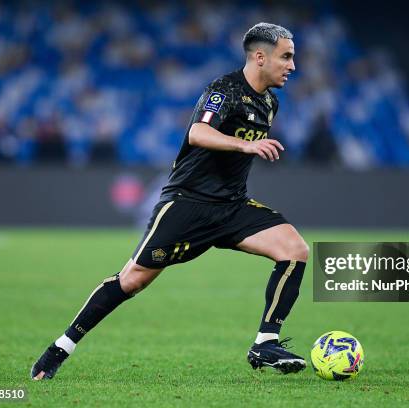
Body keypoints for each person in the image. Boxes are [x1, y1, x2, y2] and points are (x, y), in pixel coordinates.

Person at [31, 22, 308, 380]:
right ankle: (59, 349)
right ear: (259, 57)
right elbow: (197, 132)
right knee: (132, 281)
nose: (292, 65)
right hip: (187, 204)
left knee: (295, 249)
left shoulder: (270, 103)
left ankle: (265, 343)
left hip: (231, 207)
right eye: (286, 57)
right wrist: (244, 144)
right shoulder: (223, 90)